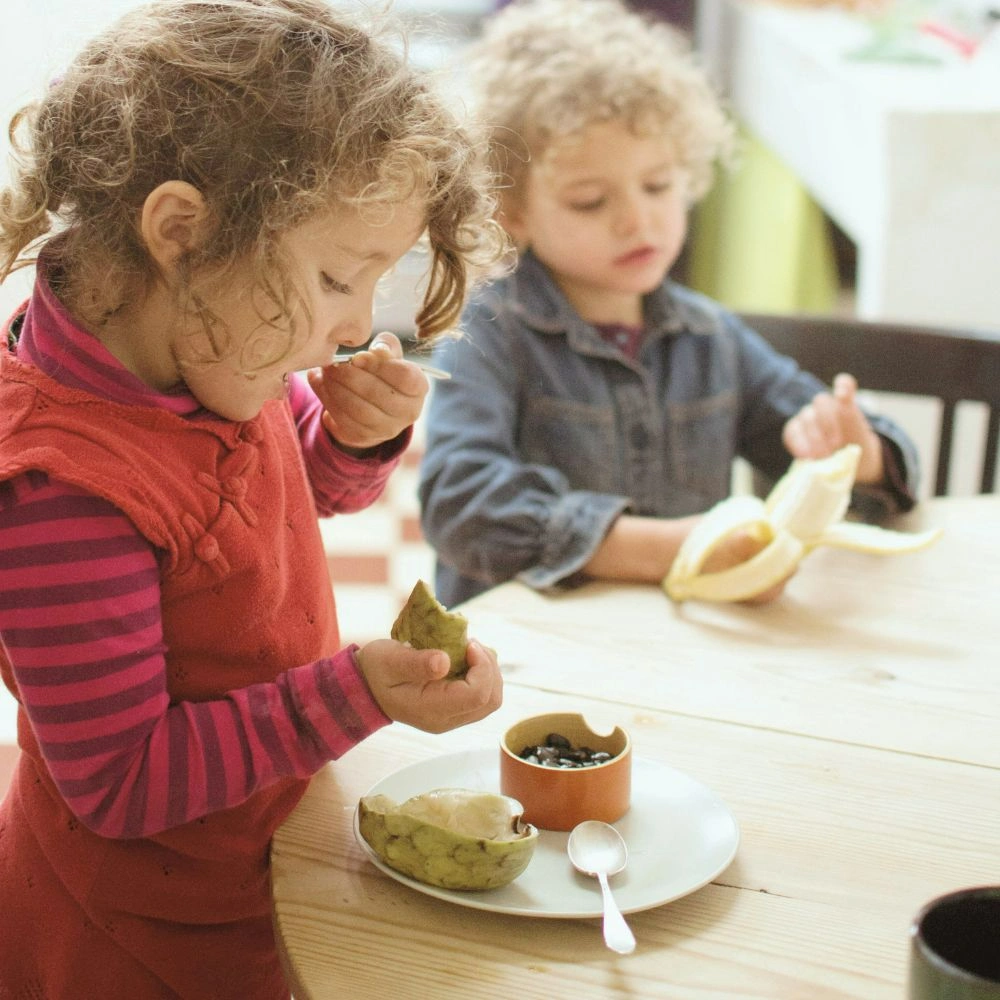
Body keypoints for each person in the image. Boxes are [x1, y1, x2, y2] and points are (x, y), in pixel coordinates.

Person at [0, 1, 506, 996]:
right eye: (333, 278)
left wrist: (355, 440)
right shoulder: (61, 497)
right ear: (181, 233)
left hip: (265, 850)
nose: (358, 324)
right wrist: (353, 694)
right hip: (143, 929)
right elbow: (122, 780)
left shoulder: (200, 348)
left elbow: (270, 508)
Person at [418, 0, 919, 608]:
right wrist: (669, 548)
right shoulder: (491, 334)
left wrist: (859, 454)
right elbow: (462, 505)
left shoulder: (712, 337)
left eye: (658, 185)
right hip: (529, 660)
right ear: (511, 212)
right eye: (590, 200)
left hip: (677, 658)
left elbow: (874, 468)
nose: (638, 219)